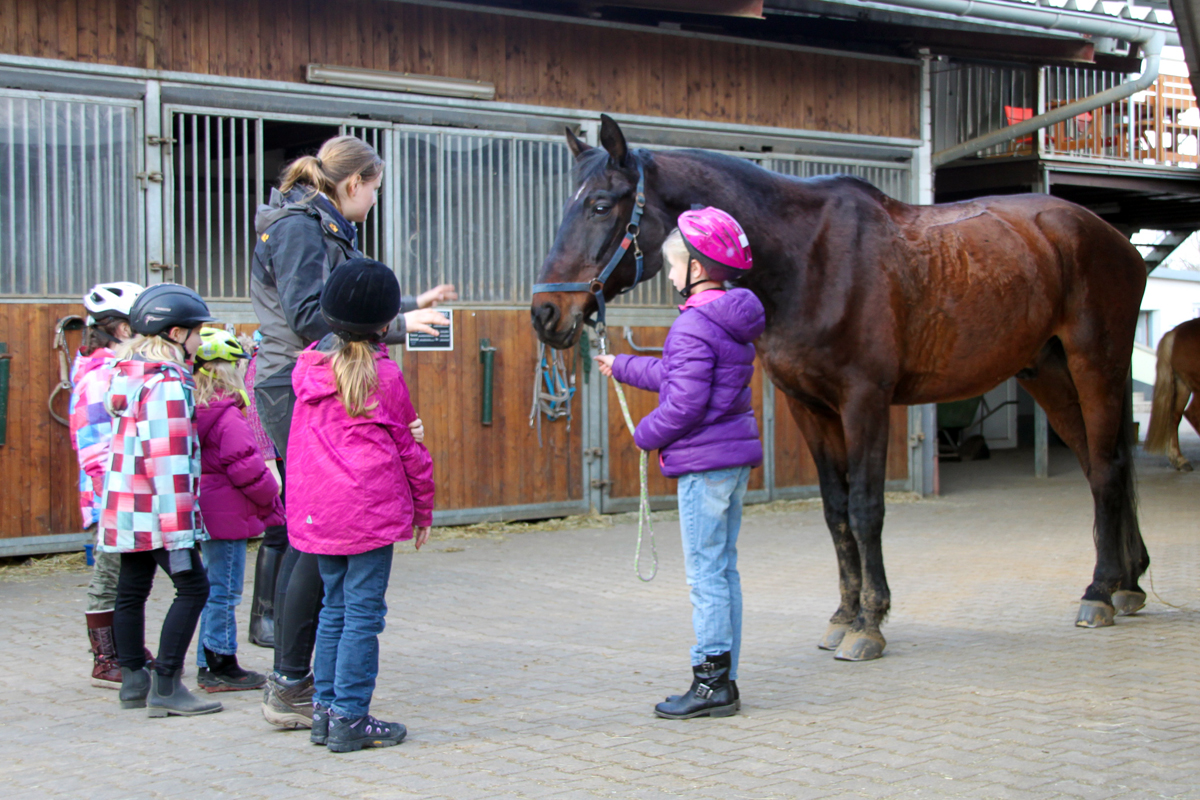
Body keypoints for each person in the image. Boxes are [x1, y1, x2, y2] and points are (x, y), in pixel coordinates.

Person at [250, 134, 454, 729]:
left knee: (314, 532)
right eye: (375, 190)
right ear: (353, 183)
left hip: (314, 375)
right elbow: (315, 316)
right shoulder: (299, 228)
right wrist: (401, 323)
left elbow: (343, 304)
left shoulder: (323, 224)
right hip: (301, 379)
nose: (374, 201)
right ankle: (290, 679)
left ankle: (304, 684)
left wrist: (409, 303)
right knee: (317, 531)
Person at [594, 207, 764, 720]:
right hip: (730, 459)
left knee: (705, 575)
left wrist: (644, 435)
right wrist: (620, 365)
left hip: (704, 466)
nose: (669, 276)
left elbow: (684, 402)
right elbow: (678, 373)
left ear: (695, 268)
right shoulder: (726, 316)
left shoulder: (693, 323)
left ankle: (711, 683)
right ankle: (724, 676)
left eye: (672, 267)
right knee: (724, 570)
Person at [287, 258, 435, 752]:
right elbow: (410, 449)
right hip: (368, 515)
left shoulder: (307, 368)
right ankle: (352, 717)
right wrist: (423, 509)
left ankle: (325, 714)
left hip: (319, 512)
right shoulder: (384, 377)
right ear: (386, 324)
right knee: (363, 616)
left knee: (334, 608)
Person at [99, 283, 223, 718]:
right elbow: (168, 460)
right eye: (195, 332)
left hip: (127, 508)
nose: (199, 340)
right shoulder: (167, 384)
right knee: (194, 586)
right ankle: (167, 683)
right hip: (159, 510)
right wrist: (180, 533)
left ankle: (134, 678)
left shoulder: (129, 375)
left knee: (131, 588)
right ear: (174, 334)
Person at [192, 328, 284, 692]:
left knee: (211, 587)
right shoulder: (228, 416)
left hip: (204, 510)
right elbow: (247, 467)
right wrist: (271, 497)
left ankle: (207, 659)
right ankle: (219, 664)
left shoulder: (196, 409)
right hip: (226, 515)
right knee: (224, 591)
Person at [70, 281, 144, 688]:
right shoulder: (100, 374)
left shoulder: (112, 368)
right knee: (110, 574)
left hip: (120, 487)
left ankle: (123, 644)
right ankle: (106, 656)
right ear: (120, 329)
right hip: (111, 490)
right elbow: (94, 444)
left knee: (126, 572)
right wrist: (110, 495)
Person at [243, 331, 285, 648]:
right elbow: (255, 410)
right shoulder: (264, 360)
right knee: (277, 535)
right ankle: (262, 617)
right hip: (278, 460)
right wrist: (268, 461)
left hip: (296, 457)